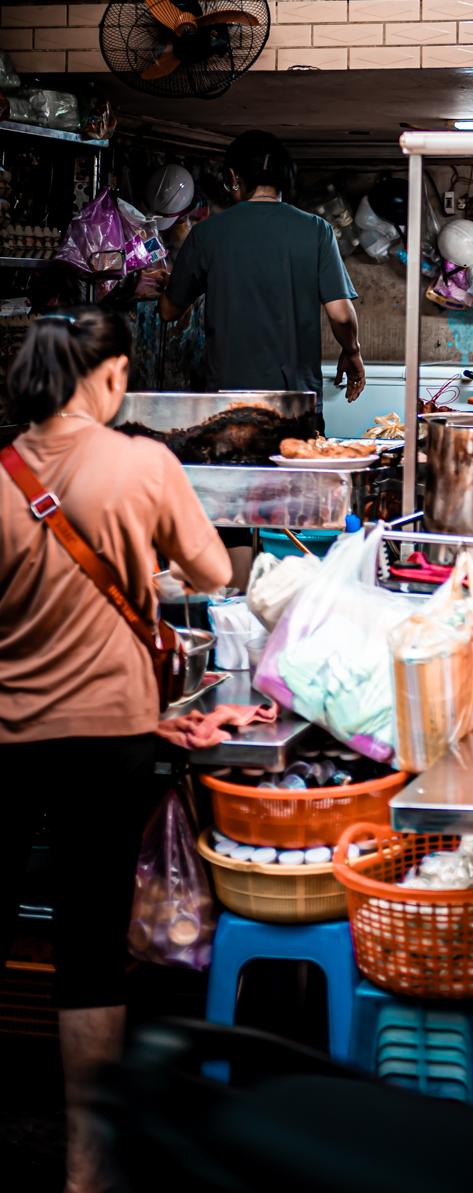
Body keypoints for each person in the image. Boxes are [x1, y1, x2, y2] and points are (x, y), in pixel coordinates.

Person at [0, 307, 230, 1193]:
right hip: (109, 738)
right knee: (90, 947)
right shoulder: (143, 462)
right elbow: (213, 575)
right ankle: (88, 1171)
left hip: (8, 736)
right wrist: (148, 555)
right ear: (108, 378)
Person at [161, 129, 365, 406]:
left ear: (233, 177)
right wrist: (352, 353)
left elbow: (169, 311)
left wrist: (168, 283)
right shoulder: (317, 230)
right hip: (296, 400)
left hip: (228, 399)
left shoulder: (206, 233)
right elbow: (341, 315)